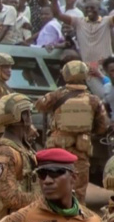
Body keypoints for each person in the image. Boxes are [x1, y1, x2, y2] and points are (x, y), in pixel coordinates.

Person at [35, 60, 109, 202]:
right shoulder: (93, 100)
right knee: (79, 190)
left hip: (57, 150)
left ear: (66, 74)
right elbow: (102, 127)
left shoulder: (56, 95)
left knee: (53, 186)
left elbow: (39, 106)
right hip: (80, 151)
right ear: (85, 75)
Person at [51, 0, 114, 95]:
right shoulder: (79, 22)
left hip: (108, 68)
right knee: (104, 96)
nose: (89, 10)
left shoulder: (106, 21)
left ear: (99, 9)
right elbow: (58, 14)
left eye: (92, 7)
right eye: (87, 7)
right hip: (90, 70)